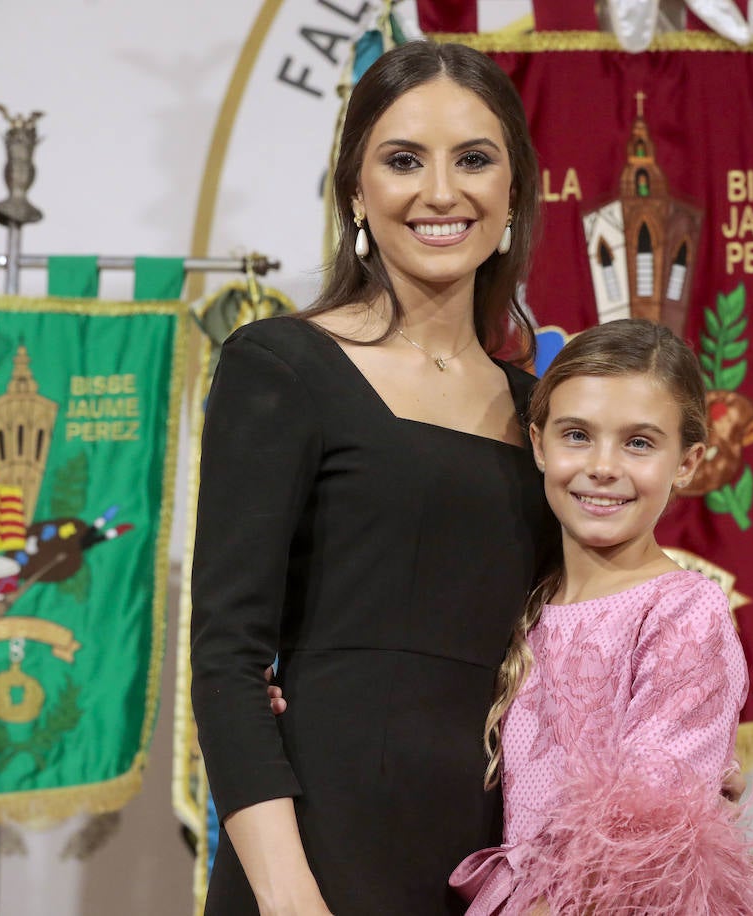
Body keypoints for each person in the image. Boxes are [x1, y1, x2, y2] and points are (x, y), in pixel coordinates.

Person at [189, 40, 554, 915]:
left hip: (496, 865)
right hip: (317, 853)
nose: (440, 192)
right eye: (402, 160)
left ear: (512, 193)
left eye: (474, 159)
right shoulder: (280, 365)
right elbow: (228, 659)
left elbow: (577, 639)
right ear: (355, 189)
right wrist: (288, 898)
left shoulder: (548, 414)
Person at [449, 320, 753, 915]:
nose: (602, 466)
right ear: (538, 442)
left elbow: (638, 851)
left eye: (639, 442)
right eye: (577, 434)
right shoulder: (519, 600)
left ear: (688, 461)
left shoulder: (683, 611)